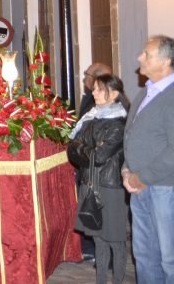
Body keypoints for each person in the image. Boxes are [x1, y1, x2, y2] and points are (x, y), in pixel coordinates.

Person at [68, 74, 130, 284]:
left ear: (114, 93)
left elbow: (100, 155)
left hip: (110, 188)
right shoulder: (91, 118)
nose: (93, 92)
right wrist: (84, 149)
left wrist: (81, 148)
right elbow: (71, 149)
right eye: (93, 88)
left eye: (99, 89)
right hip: (89, 183)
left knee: (116, 241)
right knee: (98, 241)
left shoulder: (119, 123)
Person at [122, 35, 174, 284]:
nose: (139, 57)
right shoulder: (146, 93)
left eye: (147, 54)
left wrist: (143, 176)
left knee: (169, 259)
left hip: (165, 188)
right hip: (139, 186)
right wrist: (126, 170)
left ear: (166, 61)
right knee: (145, 257)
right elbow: (130, 136)